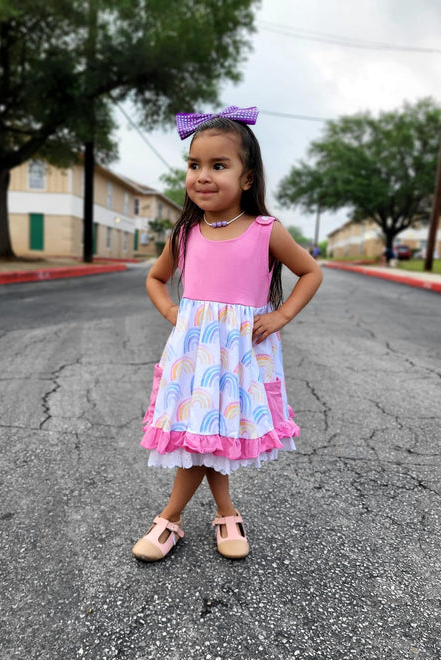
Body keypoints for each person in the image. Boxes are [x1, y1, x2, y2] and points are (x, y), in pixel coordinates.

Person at [132, 106, 323, 562]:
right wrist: (175, 313)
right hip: (195, 355)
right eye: (194, 165)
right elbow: (155, 279)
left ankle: (172, 519)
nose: (203, 176)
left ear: (248, 178)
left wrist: (280, 316)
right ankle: (220, 514)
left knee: (208, 437)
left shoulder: (264, 231)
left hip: (239, 356)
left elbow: (310, 272)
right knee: (204, 437)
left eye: (219, 166)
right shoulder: (184, 234)